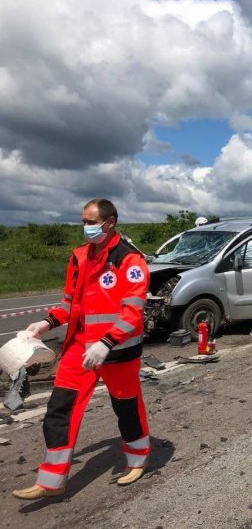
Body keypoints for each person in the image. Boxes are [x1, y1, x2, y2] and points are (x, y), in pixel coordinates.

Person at [13, 199, 151, 500]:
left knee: (126, 407)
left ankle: (138, 458)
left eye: (91, 221)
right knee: (60, 407)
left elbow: (133, 312)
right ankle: (51, 479)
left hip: (119, 350)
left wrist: (107, 342)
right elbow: (69, 304)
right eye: (84, 221)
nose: (86, 227)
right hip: (80, 347)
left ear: (110, 222)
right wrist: (46, 323)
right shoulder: (79, 257)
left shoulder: (131, 260)